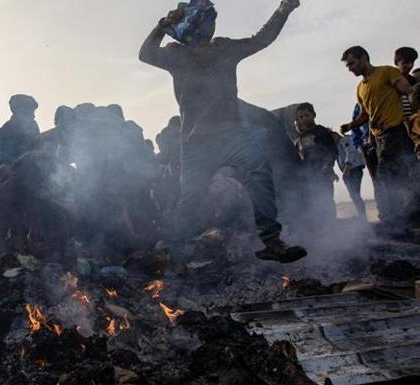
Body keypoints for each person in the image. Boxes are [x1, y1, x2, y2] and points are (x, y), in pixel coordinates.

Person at [139, 0, 306, 262]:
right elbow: (145, 54)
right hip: (195, 143)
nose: (211, 26)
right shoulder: (176, 55)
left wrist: (283, 10)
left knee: (258, 169)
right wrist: (162, 26)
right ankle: (172, 250)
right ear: (194, 23)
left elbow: (261, 39)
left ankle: (272, 240)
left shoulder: (224, 48)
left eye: (212, 20)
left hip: (232, 135)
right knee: (190, 199)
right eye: (207, 20)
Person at [341, 46, 416, 228]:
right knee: (396, 176)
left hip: (396, 132)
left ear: (364, 58)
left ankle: (393, 220)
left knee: (386, 176)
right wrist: (350, 125)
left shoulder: (385, 72)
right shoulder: (361, 88)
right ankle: (403, 218)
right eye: (347, 65)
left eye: (352, 63)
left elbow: (407, 89)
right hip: (379, 138)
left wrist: (414, 96)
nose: (349, 68)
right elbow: (365, 115)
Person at [293, 103, 339, 228]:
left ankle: (332, 227)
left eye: (306, 115)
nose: (303, 119)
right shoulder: (299, 139)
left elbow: (332, 151)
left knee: (326, 200)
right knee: (313, 203)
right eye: (300, 117)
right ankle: (319, 229)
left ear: (313, 115)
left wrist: (327, 166)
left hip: (323, 173)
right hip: (308, 176)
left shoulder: (321, 132)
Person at [338, 106, 368, 219]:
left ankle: (362, 216)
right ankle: (361, 215)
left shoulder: (344, 140)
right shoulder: (337, 145)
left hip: (353, 168)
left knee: (354, 193)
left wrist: (346, 168)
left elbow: (350, 152)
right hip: (351, 169)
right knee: (354, 193)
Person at [0, 94, 40, 165]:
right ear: (19, 112)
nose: (33, 116)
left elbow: (37, 147)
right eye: (29, 113)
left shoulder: (33, 126)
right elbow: (5, 156)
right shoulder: (8, 128)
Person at [395, 47, 418, 120]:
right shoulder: (388, 81)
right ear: (396, 62)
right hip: (394, 125)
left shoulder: (414, 81)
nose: (410, 66)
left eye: (412, 62)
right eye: (405, 62)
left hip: (412, 124)